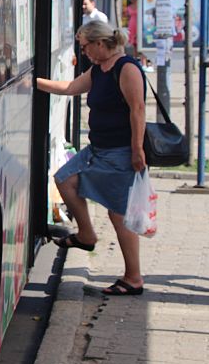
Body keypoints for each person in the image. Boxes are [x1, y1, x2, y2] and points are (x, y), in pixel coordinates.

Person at [36, 21, 147, 296]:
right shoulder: (98, 70)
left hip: (120, 153)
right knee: (64, 179)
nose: (83, 52)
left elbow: (138, 109)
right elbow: (70, 87)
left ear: (100, 43)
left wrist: (137, 149)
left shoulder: (126, 68)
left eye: (85, 47)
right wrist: (31, 81)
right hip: (98, 150)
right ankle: (86, 236)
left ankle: (133, 277)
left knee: (119, 214)